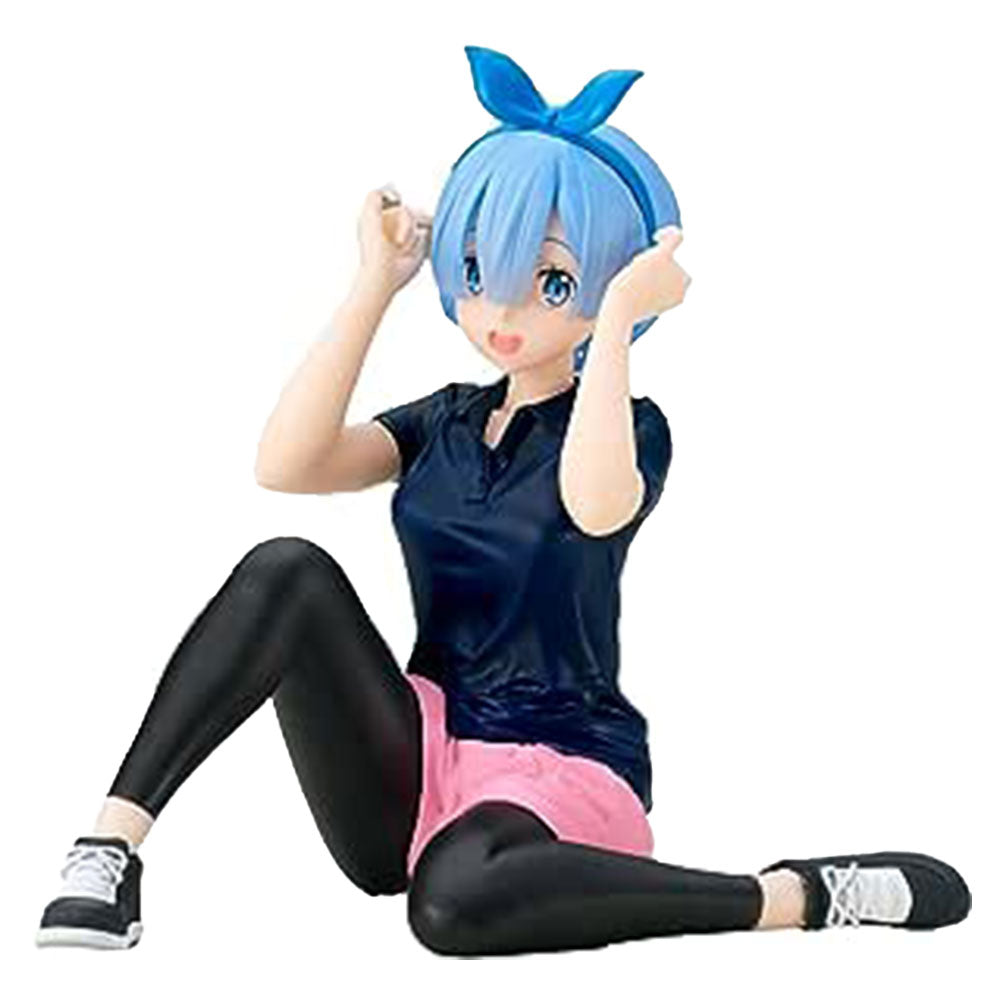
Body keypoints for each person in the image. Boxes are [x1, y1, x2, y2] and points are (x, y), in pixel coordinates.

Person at [36, 45, 970, 956]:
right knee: (287, 570)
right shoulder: (442, 421)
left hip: (558, 769)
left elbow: (595, 506)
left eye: (552, 282)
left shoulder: (629, 426)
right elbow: (288, 464)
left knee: (449, 905)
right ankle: (109, 849)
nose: (505, 314)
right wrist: (375, 285)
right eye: (482, 273)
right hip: (419, 758)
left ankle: (791, 895)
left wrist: (616, 320)